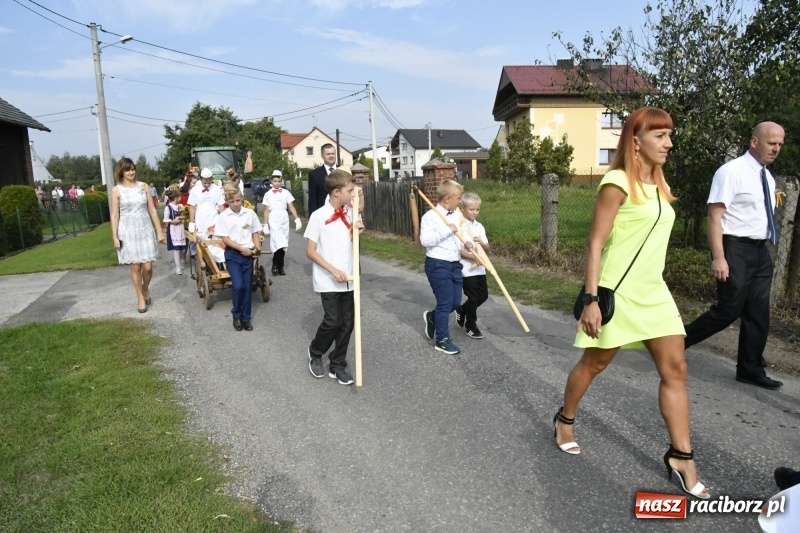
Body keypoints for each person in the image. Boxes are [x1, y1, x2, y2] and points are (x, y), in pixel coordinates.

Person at [554, 107, 710, 500]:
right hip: (617, 292)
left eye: (670, 135)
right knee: (595, 363)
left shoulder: (660, 186)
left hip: (654, 293)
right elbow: (595, 243)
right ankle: (564, 418)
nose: (669, 143)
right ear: (636, 140)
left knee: (676, 368)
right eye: (661, 136)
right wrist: (590, 299)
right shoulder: (616, 182)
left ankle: (681, 456)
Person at [683, 122, 786, 390]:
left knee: (758, 311)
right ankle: (678, 342)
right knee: (729, 309)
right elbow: (714, 216)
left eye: (780, 144)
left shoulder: (767, 176)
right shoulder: (731, 172)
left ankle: (749, 368)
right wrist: (719, 257)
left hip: (760, 250)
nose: (776, 148)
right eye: (771, 143)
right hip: (735, 248)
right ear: (754, 141)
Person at [303, 169, 364, 385]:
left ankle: (337, 364)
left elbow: (351, 238)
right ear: (337, 192)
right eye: (349, 191)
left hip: (349, 277)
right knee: (332, 321)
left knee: (347, 323)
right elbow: (310, 251)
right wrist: (333, 270)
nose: (352, 194)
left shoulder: (351, 212)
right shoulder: (318, 216)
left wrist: (358, 229)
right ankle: (316, 351)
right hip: (328, 278)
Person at [420, 179, 473, 355]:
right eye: (458, 198)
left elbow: (459, 239)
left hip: (454, 264)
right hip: (437, 264)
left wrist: (466, 244)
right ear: (448, 198)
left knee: (455, 302)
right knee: (444, 303)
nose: (460, 201)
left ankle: (432, 317)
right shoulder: (430, 216)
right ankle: (442, 340)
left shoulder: (457, 215)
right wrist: (447, 230)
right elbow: (425, 241)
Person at [110, 157, 165, 313]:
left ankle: (145, 288)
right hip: (127, 230)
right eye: (127, 170)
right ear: (121, 172)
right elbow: (114, 214)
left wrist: (159, 231)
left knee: (147, 267)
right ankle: (140, 297)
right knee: (135, 266)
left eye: (133, 169)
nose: (131, 172)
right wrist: (115, 236)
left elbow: (152, 209)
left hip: (144, 227)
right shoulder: (116, 190)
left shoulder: (143, 187)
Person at [216, 188, 262, 332]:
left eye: (237, 200)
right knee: (238, 285)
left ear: (242, 198)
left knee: (247, 287)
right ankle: (236, 314)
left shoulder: (250, 214)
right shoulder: (223, 216)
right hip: (233, 254)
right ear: (227, 201)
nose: (235, 204)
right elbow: (225, 239)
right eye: (231, 201)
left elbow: (255, 232)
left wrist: (257, 245)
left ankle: (246, 318)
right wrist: (241, 248)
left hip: (247, 256)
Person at [454, 192, 490, 340]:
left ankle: (462, 309)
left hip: (480, 268)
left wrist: (482, 244)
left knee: (483, 296)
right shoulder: (459, 226)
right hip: (467, 269)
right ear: (463, 208)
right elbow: (458, 251)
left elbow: (488, 248)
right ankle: (471, 326)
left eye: (477, 209)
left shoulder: (479, 227)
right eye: (471, 209)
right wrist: (474, 256)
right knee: (473, 297)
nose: (475, 212)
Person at [262, 170, 302, 276]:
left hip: (284, 217)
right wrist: (265, 224)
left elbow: (291, 206)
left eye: (279, 181)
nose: (277, 183)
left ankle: (280, 267)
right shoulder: (268, 194)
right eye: (275, 181)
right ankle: (275, 265)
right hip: (273, 217)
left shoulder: (286, 193)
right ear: (271, 181)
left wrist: (296, 218)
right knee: (279, 242)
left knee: (283, 243)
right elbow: (266, 210)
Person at [187, 167, 225, 238]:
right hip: (200, 217)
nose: (207, 185)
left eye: (209, 183)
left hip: (213, 216)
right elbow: (192, 207)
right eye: (205, 183)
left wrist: (223, 220)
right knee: (200, 238)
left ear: (211, 179)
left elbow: (221, 205)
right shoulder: (194, 190)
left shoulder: (216, 189)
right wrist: (191, 223)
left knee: (213, 238)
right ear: (201, 179)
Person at [308, 143, 337, 215]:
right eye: (328, 154)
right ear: (322, 156)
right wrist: (313, 218)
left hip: (342, 213)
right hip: (323, 215)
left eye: (333, 153)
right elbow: (313, 200)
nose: (331, 156)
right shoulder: (314, 174)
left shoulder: (343, 171)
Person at [163, 189, 187, 275]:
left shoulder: (180, 206)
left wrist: (182, 217)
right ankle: (178, 267)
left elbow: (185, 215)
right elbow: (166, 219)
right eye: (180, 197)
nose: (181, 198)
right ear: (176, 198)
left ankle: (182, 260)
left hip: (181, 228)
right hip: (173, 229)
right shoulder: (168, 207)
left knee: (183, 248)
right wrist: (173, 221)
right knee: (176, 249)